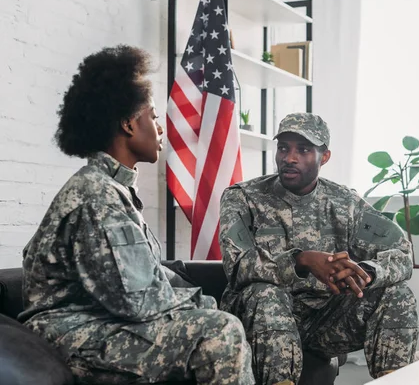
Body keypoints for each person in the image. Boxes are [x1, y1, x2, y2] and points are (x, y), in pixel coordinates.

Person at [19, 45, 254, 385]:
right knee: (220, 330)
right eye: (154, 117)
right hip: (70, 332)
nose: (160, 129)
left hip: (100, 319)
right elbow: (140, 302)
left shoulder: (114, 189)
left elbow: (143, 283)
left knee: (226, 314)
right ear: (129, 124)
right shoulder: (96, 195)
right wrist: (208, 303)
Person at [219, 113, 419, 384]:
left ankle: (393, 380)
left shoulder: (345, 203)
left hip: (324, 322)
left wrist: (364, 272)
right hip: (260, 320)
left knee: (397, 293)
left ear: (324, 157)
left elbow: (403, 252)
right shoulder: (243, 197)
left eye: (303, 150)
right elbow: (237, 265)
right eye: (283, 148)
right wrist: (302, 261)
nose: (289, 158)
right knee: (264, 293)